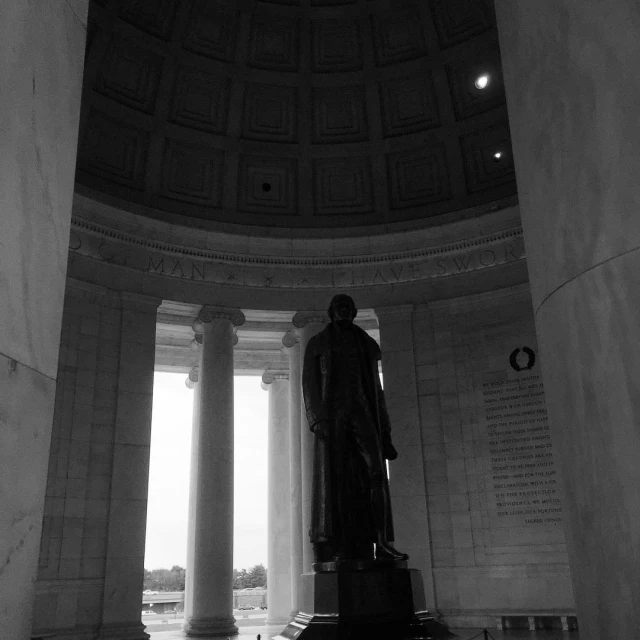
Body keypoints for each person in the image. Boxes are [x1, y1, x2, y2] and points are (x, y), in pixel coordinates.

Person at [302, 294, 408, 563]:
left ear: (355, 311)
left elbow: (377, 390)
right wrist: (316, 419)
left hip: (363, 413)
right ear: (330, 311)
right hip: (334, 416)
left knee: (375, 474)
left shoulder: (366, 344)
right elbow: (310, 385)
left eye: (348, 308)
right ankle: (339, 545)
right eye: (339, 308)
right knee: (337, 480)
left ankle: (382, 542)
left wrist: (385, 433)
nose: (344, 312)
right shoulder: (317, 344)